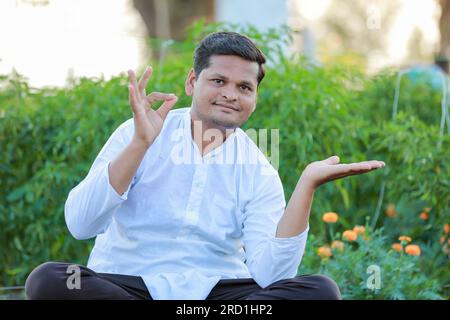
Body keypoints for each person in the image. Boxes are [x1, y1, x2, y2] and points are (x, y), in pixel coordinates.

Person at [25, 31, 385, 300]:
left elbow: (270, 274)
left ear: (255, 99)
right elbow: (81, 224)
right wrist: (139, 145)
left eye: (245, 87)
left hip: (216, 295)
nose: (231, 94)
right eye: (218, 81)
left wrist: (306, 186)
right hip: (127, 283)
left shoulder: (258, 168)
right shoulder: (139, 132)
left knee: (320, 291)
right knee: (50, 279)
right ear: (192, 81)